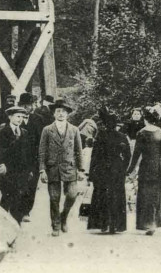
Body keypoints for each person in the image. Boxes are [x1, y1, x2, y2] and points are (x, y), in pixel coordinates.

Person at [39, 99, 85, 236]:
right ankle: (56, 225)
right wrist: (42, 170)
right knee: (54, 198)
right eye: (58, 111)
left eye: (64, 111)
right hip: (52, 167)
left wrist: (81, 169)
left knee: (72, 194)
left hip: (70, 167)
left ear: (67, 114)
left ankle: (64, 216)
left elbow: (78, 150)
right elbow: (42, 151)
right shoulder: (47, 130)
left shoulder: (74, 130)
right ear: (54, 113)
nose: (61, 114)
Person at [127, 106, 161, 235]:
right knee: (156, 197)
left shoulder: (141, 133)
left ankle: (147, 224)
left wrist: (129, 170)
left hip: (145, 169)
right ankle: (155, 223)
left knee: (144, 197)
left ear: (145, 119)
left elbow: (136, 154)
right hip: (158, 169)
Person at [87, 107, 131, 234]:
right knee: (116, 196)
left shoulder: (101, 135)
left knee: (102, 195)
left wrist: (91, 173)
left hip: (102, 168)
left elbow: (94, 156)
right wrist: (124, 168)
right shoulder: (122, 137)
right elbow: (128, 155)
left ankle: (103, 224)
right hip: (117, 169)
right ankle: (115, 225)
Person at [0, 106, 33, 224]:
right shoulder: (3, 131)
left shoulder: (24, 132)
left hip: (21, 171)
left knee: (19, 198)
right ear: (10, 117)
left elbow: (28, 152)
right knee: (7, 196)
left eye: (22, 117)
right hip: (7, 169)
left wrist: (29, 169)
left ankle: (16, 224)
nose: (20, 119)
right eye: (17, 116)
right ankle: (1, 223)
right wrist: (1, 164)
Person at [18, 92, 45, 222]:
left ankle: (26, 211)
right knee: (19, 183)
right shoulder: (15, 118)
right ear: (21, 105)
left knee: (32, 185)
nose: (30, 107)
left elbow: (41, 139)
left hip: (34, 158)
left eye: (31, 105)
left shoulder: (38, 119)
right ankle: (17, 209)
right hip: (19, 158)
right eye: (27, 105)